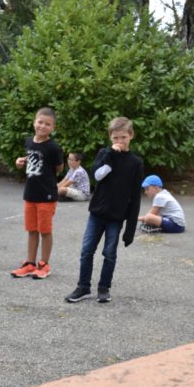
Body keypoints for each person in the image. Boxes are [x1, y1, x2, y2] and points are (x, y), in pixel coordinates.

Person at [64, 117, 143, 304]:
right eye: (116, 138)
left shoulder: (136, 163)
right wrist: (110, 156)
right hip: (97, 213)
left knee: (109, 253)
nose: (119, 142)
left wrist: (130, 229)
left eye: (123, 137)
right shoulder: (104, 154)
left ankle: (104, 287)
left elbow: (135, 197)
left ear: (131, 136)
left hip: (116, 216)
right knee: (86, 250)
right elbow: (98, 175)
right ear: (110, 137)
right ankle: (83, 287)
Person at [10, 107, 64, 280]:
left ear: (53, 128)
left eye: (48, 124)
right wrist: (20, 162)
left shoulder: (54, 147)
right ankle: (30, 263)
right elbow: (29, 160)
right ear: (34, 122)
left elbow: (59, 168)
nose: (43, 126)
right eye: (40, 122)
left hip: (46, 196)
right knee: (32, 230)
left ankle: (44, 264)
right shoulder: (28, 142)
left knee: (45, 230)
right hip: (30, 194)